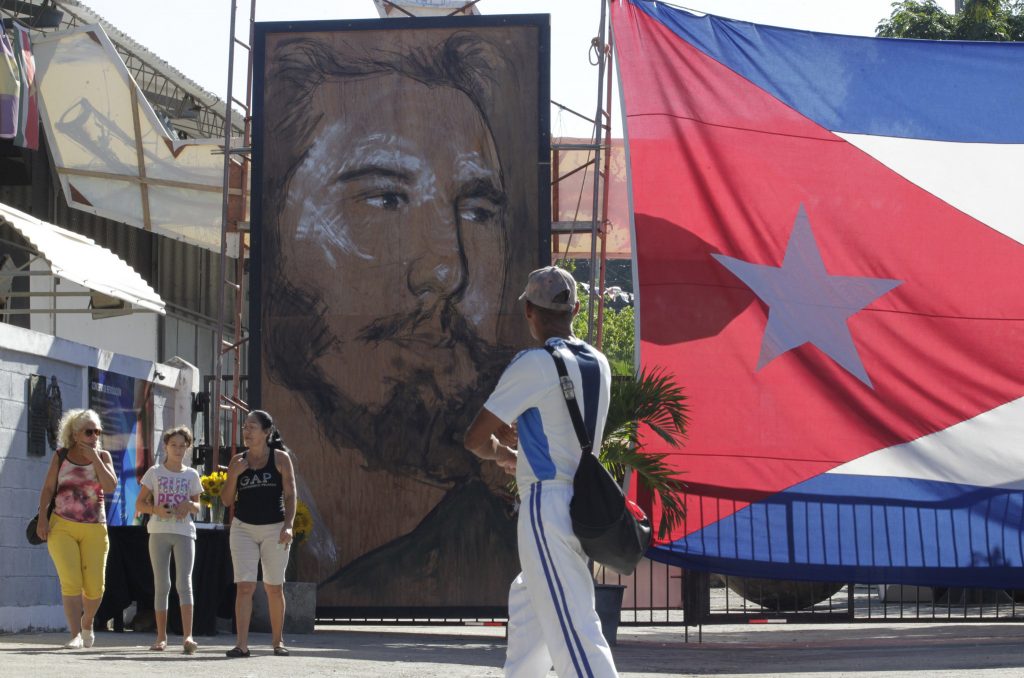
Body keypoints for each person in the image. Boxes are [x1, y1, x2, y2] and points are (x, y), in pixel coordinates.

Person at [258, 29, 538, 605]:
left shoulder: (485, 542)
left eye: (477, 209)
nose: (447, 268)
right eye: (385, 200)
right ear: (272, 227)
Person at [465, 266, 618, 677]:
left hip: (545, 503)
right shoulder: (599, 363)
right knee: (530, 601)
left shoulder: (533, 363)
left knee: (575, 630)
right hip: (582, 502)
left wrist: (501, 453)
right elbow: (561, 429)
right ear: (576, 309)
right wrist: (525, 448)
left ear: (529, 310)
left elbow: (475, 438)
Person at [35, 408, 117, 650]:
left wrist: (95, 458)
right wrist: (42, 518)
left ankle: (87, 622)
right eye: (89, 431)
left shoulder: (103, 456)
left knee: (95, 586)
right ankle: (74, 635)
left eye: (97, 431)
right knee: (70, 581)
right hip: (62, 526)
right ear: (75, 433)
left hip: (94, 527)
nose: (94, 436)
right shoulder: (61, 455)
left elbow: (110, 486)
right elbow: (48, 488)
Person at [220, 410, 297, 658]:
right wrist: (233, 475)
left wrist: (288, 525)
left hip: (275, 528)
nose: (247, 431)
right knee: (245, 586)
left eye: (252, 427)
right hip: (243, 528)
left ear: (266, 432)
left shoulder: (281, 459)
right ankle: (242, 645)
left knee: (274, 587)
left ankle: (278, 641)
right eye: (245, 427)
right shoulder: (237, 461)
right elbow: (226, 500)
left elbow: (291, 495)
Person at [135, 425, 202, 654]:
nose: (178, 449)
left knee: (185, 583)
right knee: (162, 584)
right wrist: (156, 510)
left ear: (187, 448)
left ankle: (188, 636)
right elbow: (139, 504)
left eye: (182, 446)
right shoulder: (154, 472)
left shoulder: (191, 474)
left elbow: (198, 505)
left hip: (184, 532)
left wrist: (189, 505)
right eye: (173, 445)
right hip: (158, 531)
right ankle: (161, 637)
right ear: (165, 446)